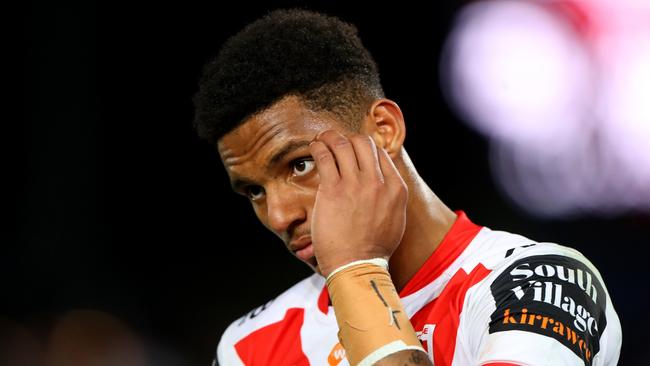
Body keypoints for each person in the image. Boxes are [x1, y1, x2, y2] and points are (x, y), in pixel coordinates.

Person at [192, 9, 622, 366]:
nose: (280, 215)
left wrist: (355, 268)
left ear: (384, 129)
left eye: (300, 164)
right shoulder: (248, 347)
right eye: (254, 192)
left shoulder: (544, 286)